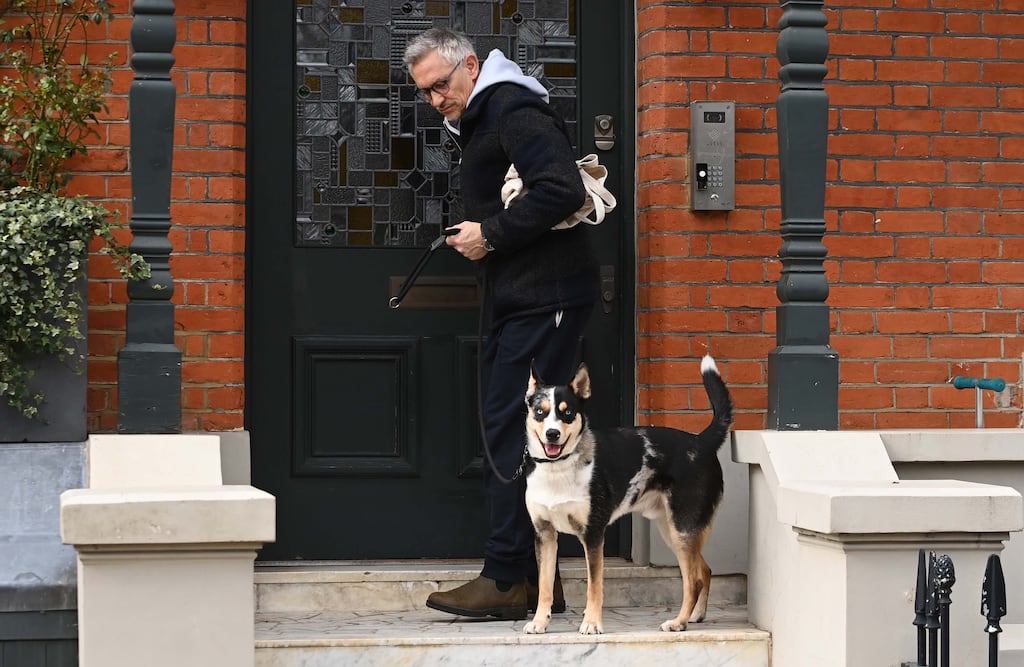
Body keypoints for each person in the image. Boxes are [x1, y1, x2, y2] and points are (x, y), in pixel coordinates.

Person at [403, 28, 599, 620]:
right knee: (516, 431)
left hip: (546, 299)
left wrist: (490, 233)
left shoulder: (511, 107)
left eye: (441, 85)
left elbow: (562, 189)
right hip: (528, 298)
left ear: (469, 64)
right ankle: (541, 579)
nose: (436, 100)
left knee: (520, 433)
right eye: (425, 93)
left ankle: (509, 576)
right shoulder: (487, 113)